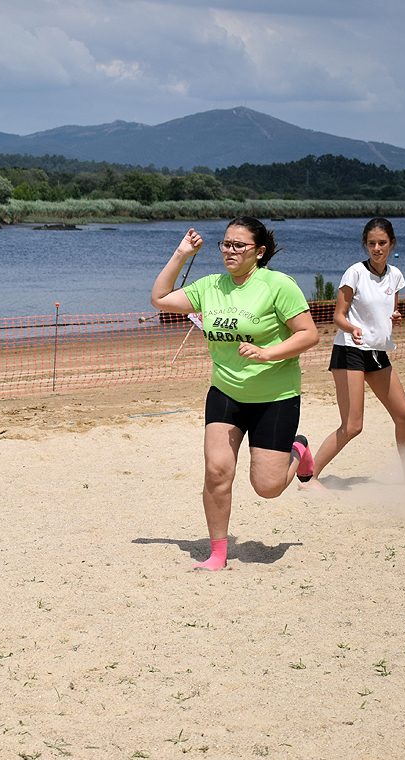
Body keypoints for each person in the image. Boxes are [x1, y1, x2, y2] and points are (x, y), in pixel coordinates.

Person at [151, 217, 319, 571]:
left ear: (258, 252)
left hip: (275, 395)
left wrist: (268, 353)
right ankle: (217, 553)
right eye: (225, 243)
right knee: (216, 471)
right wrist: (181, 253)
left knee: (268, 487)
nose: (229, 250)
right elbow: (160, 298)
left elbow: (308, 334)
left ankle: (298, 450)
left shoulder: (277, 285)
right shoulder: (210, 286)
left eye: (238, 245)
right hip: (226, 392)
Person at [303, 217, 405, 489]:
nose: (377, 248)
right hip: (349, 350)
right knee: (353, 426)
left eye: (382, 243)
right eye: (371, 243)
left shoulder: (396, 276)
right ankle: (308, 477)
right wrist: (352, 328)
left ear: (392, 243)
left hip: (377, 353)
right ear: (365, 245)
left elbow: (389, 312)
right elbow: (337, 316)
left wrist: (396, 317)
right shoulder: (354, 272)